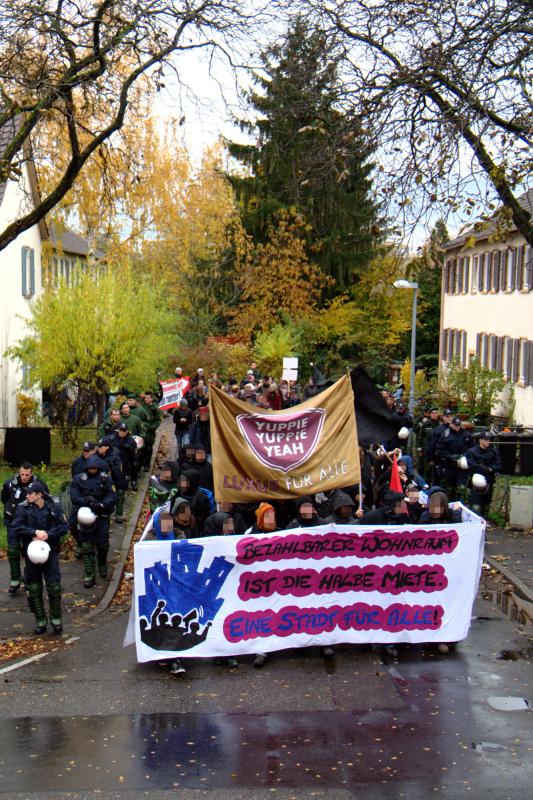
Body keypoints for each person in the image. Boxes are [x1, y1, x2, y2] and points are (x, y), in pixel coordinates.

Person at [12, 480, 67, 634]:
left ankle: (56, 618)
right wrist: (34, 532)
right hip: (31, 553)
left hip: (50, 552)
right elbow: (16, 526)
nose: (27, 495)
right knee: (34, 588)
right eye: (27, 493)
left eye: (30, 493)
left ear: (40, 494)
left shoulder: (54, 507)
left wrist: (48, 535)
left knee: (54, 586)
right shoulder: (23, 508)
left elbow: (63, 527)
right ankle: (40, 619)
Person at [2, 463, 49, 595]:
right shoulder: (9, 483)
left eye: (26, 475)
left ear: (31, 474)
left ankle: (29, 579)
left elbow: (46, 501)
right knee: (13, 550)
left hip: (31, 523)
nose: (23, 477)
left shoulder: (39, 484)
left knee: (30, 552)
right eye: (22, 474)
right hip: (12, 521)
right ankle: (15, 578)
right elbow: (4, 498)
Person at [70, 455, 116, 587]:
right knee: (87, 545)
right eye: (90, 468)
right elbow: (74, 496)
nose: (92, 470)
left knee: (102, 544)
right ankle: (89, 573)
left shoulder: (105, 479)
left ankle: (102, 561)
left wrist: (101, 505)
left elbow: (111, 496)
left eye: (94, 468)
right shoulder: (79, 479)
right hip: (85, 515)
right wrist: (87, 501)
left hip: (101, 514)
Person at [435, 417, 473, 499]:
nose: (457, 427)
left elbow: (472, 449)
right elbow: (439, 450)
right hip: (449, 465)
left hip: (462, 466)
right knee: (449, 489)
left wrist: (464, 456)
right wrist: (451, 457)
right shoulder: (446, 435)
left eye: (458, 425)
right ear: (451, 424)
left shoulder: (467, 435)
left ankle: (460, 505)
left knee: (461, 488)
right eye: (455, 425)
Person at [465, 430, 502, 516]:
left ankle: (485, 520)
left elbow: (499, 466)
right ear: (480, 440)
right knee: (476, 506)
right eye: (486, 440)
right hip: (475, 482)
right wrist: (480, 468)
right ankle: (475, 521)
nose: (488, 441)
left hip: (489, 481)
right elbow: (470, 464)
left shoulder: (493, 451)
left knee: (486, 504)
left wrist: (490, 469)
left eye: (489, 439)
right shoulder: (472, 451)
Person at [108, 422, 140, 491]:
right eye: (121, 430)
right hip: (114, 463)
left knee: (135, 464)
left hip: (126, 464)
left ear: (127, 431)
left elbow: (134, 455)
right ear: (118, 430)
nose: (122, 432)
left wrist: (130, 449)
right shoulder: (112, 439)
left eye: (124, 430)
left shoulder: (131, 441)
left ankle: (133, 481)